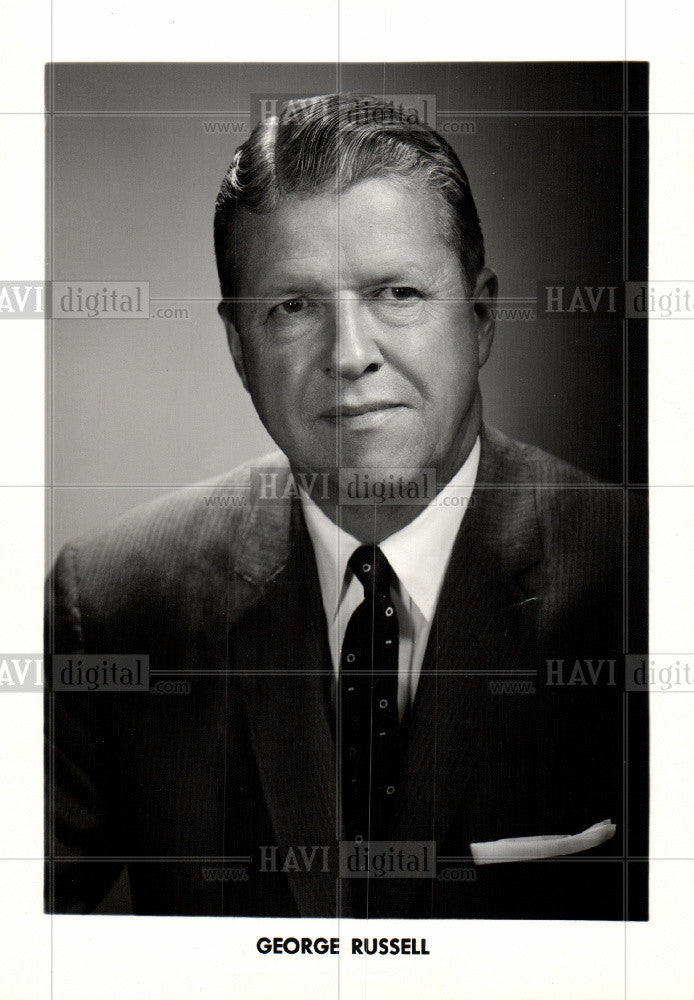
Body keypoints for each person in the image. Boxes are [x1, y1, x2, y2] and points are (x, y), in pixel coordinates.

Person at [45, 94, 646, 919]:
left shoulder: (648, 580)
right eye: (292, 308)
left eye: (396, 293)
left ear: (480, 316)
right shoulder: (112, 607)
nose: (350, 355)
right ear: (237, 347)